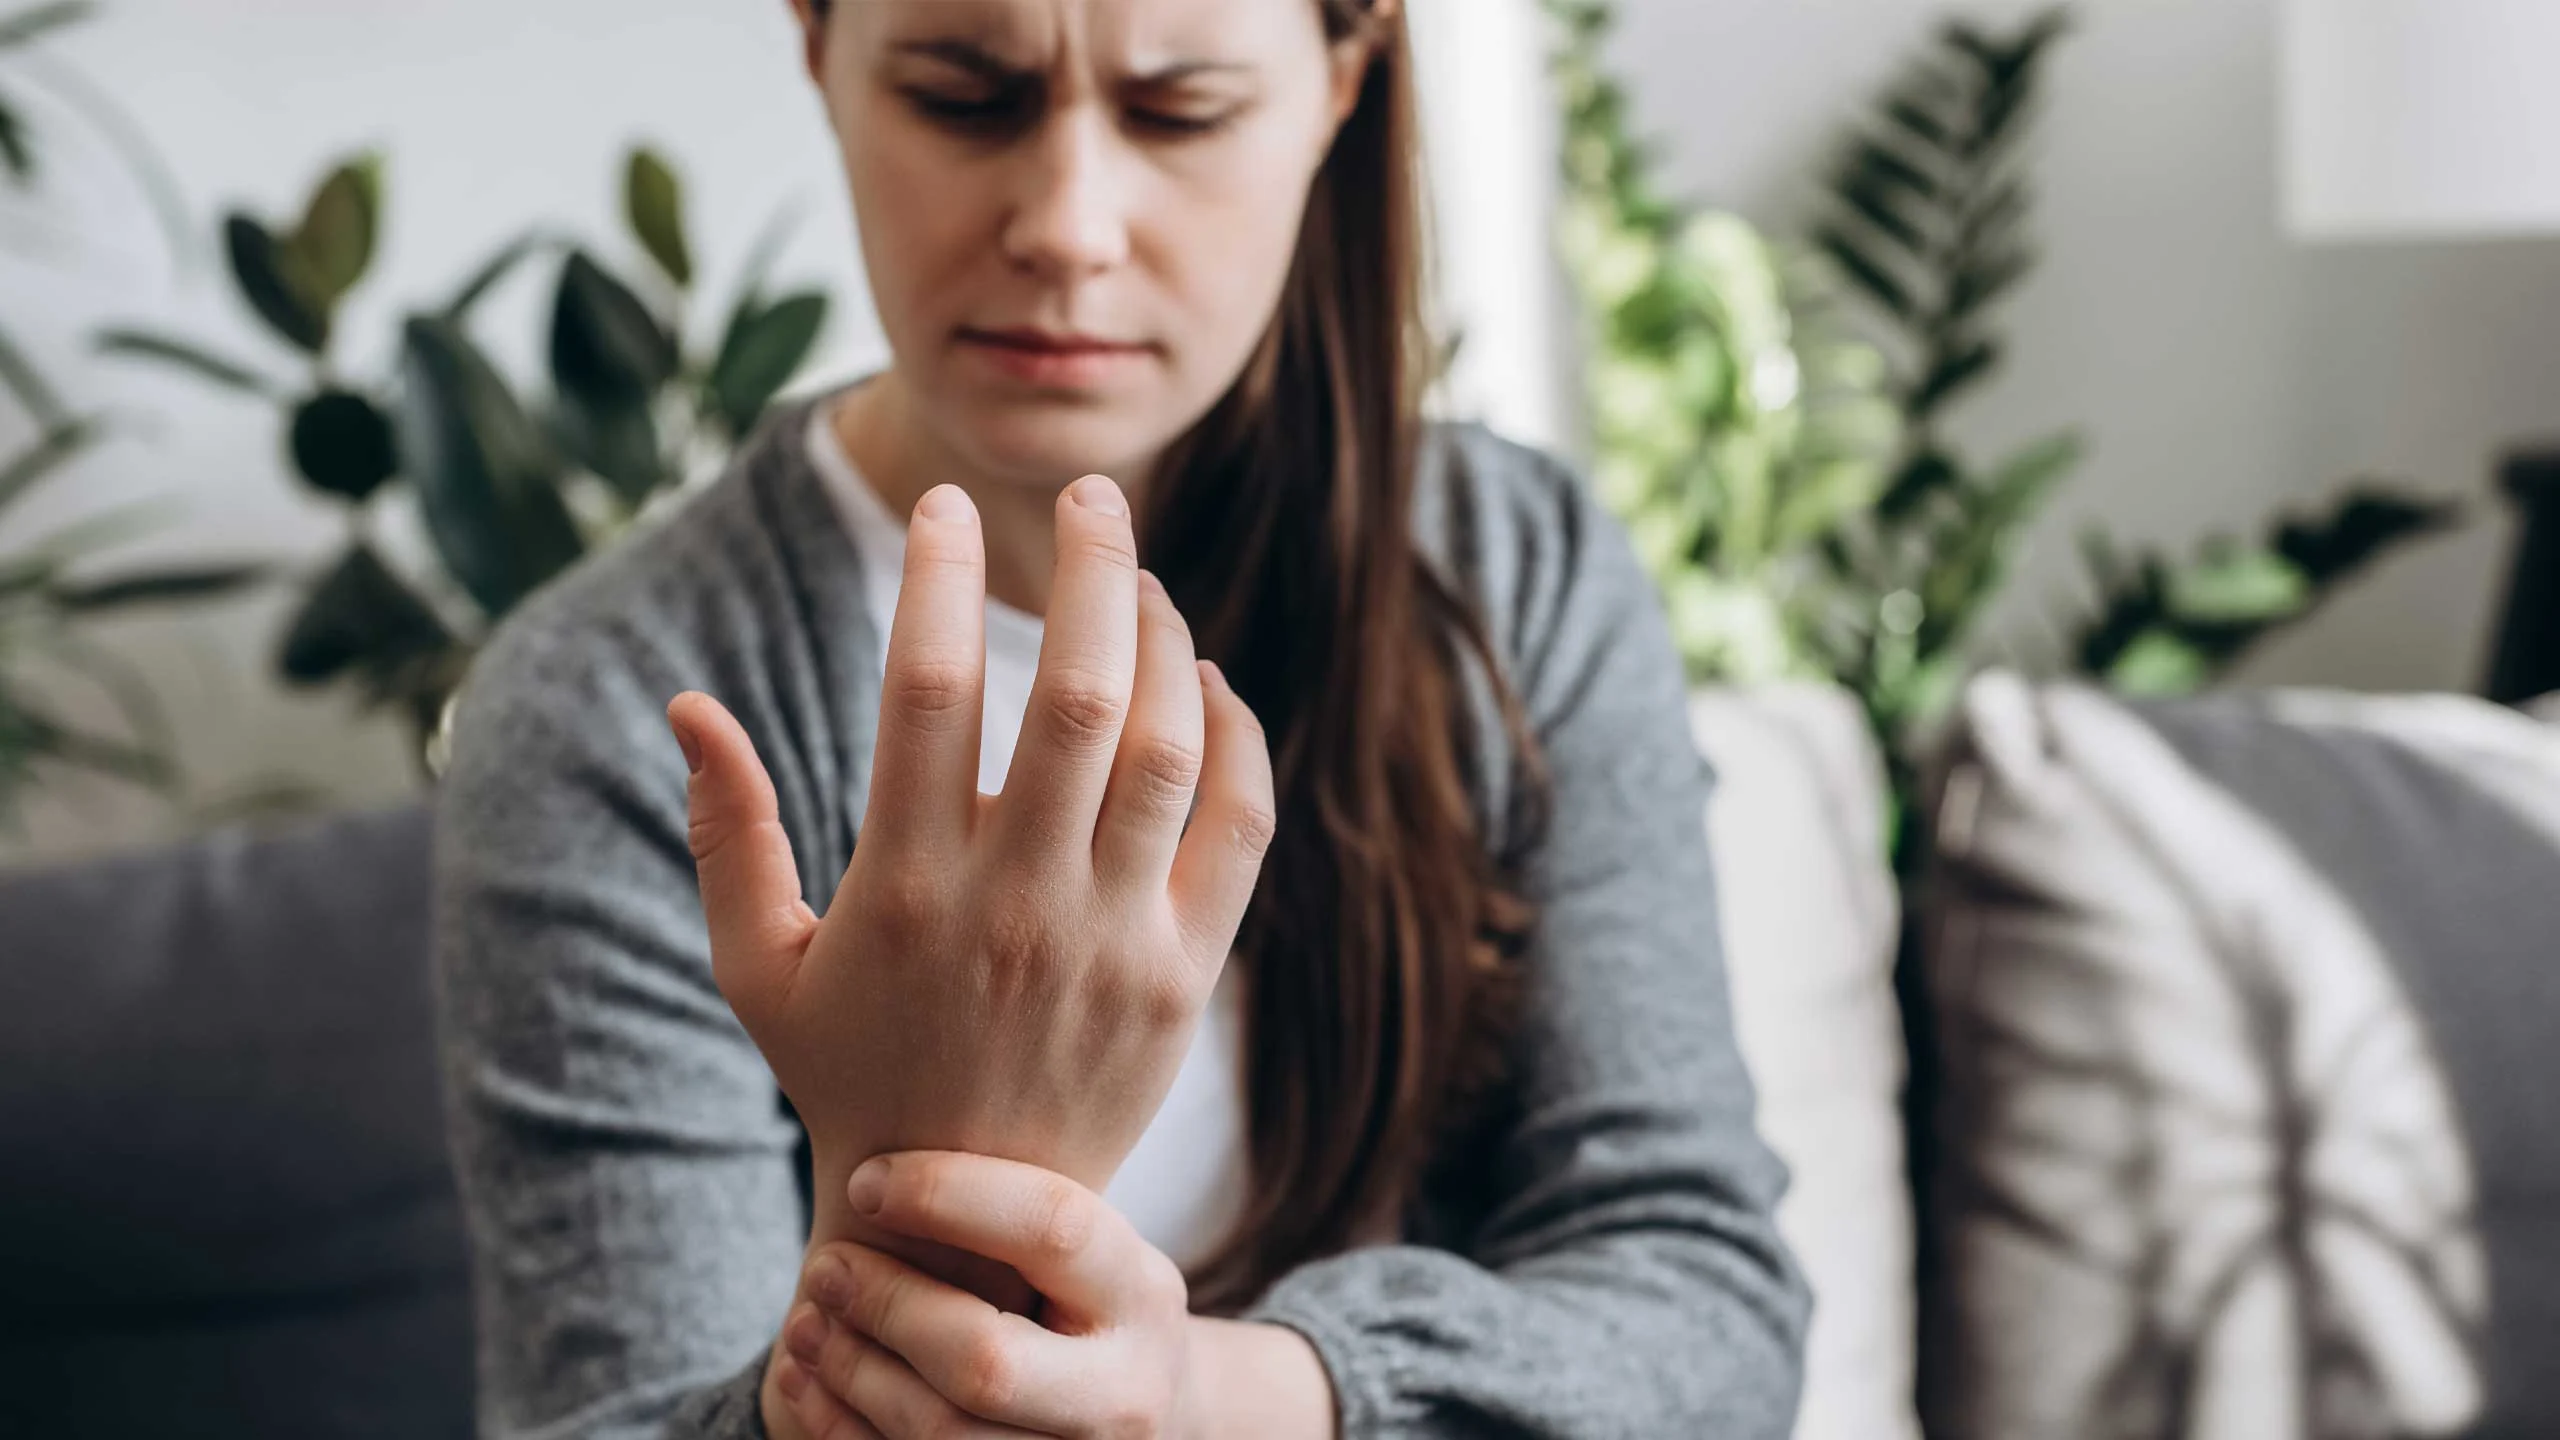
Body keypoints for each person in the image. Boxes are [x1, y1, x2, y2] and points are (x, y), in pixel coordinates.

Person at [431, 0, 1809, 1436]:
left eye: (1183, 110)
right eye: (966, 99)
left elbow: (1706, 1308)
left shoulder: (1514, 577)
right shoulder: (612, 708)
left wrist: (1220, 1399)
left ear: (1344, 76)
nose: (1068, 228)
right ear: (817, 46)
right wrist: (928, 1220)